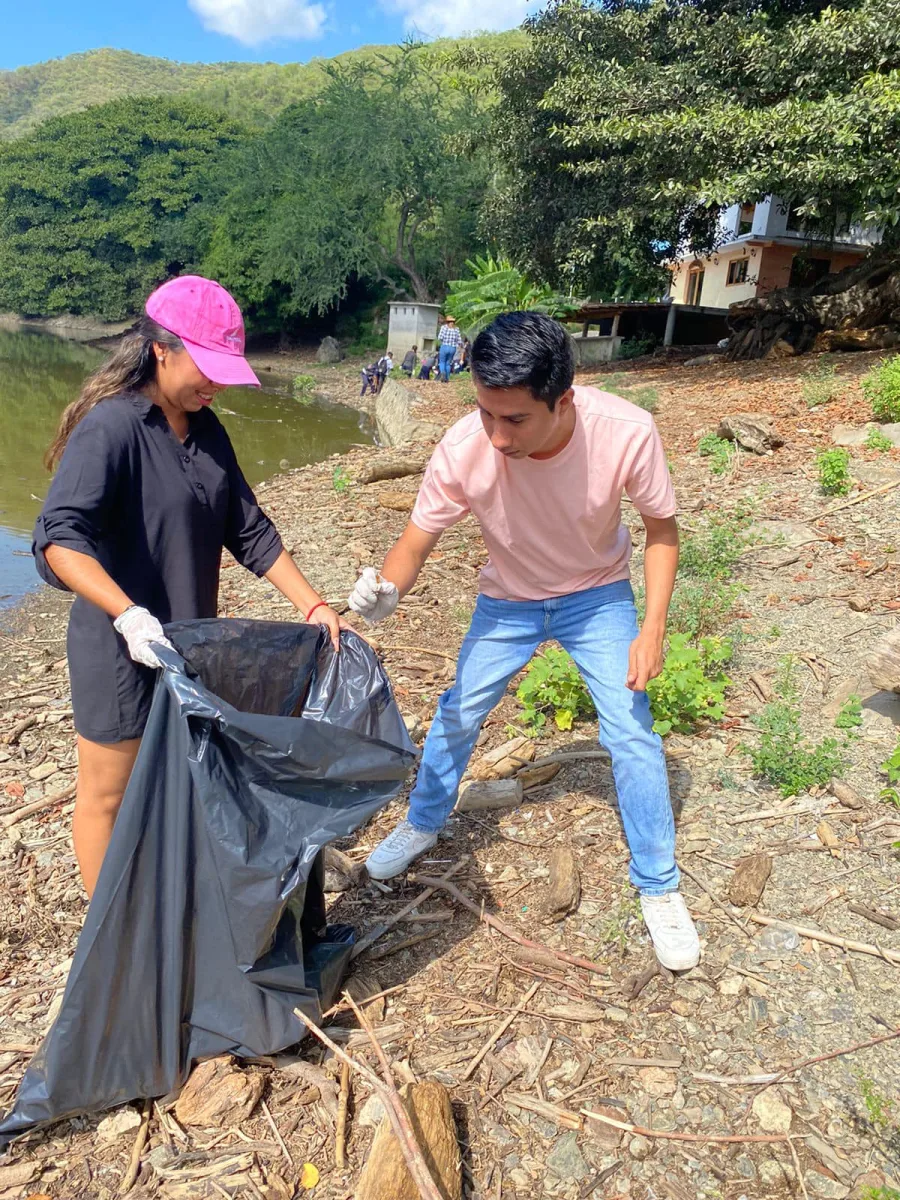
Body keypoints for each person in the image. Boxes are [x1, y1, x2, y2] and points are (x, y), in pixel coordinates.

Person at [348, 311, 699, 971]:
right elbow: (416, 543)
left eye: (515, 421)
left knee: (631, 728)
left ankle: (659, 886)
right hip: (507, 600)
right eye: (485, 414)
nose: (497, 437)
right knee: (459, 710)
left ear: (564, 400)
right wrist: (387, 593)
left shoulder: (625, 432)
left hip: (596, 598)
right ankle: (423, 822)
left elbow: (662, 531)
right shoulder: (463, 447)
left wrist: (651, 629)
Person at [34, 275, 348, 898]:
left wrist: (313, 605)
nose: (217, 382)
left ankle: (165, 904)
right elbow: (58, 540)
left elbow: (250, 531)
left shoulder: (207, 431)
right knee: (108, 794)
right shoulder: (113, 428)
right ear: (162, 349)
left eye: (226, 369)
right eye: (206, 366)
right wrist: (128, 615)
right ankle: (110, 937)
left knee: (179, 779)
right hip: (118, 646)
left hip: (188, 645)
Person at [436, 316, 462, 383]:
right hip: (453, 348)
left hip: (444, 346)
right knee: (448, 363)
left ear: (447, 322)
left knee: (442, 362)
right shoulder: (457, 329)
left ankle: (442, 373)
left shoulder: (444, 327)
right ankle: (447, 378)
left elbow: (440, 338)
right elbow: (459, 341)